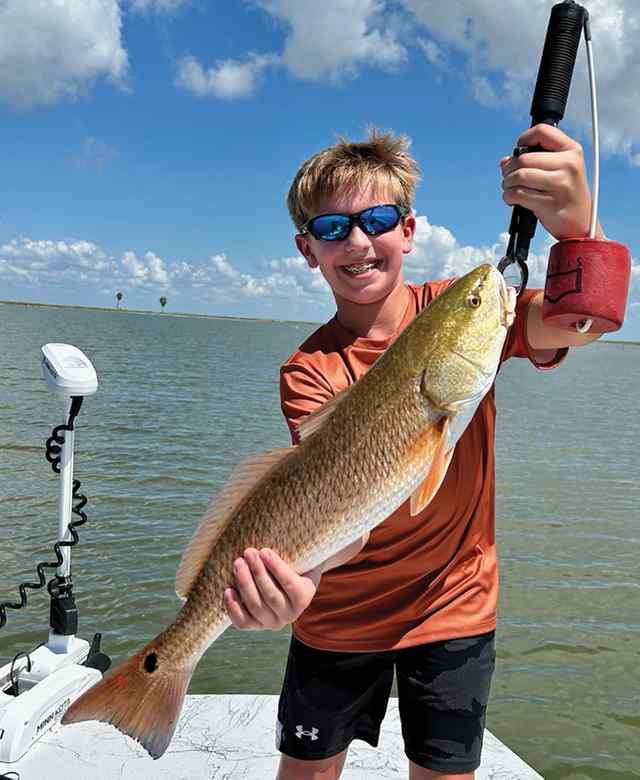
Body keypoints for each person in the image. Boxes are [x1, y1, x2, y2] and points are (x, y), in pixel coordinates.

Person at [222, 123, 602, 780]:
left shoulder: (460, 310)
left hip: (454, 602)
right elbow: (335, 515)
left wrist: (578, 228)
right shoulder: (308, 369)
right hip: (337, 616)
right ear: (306, 248)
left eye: (377, 219)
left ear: (409, 231)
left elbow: (581, 318)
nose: (360, 241)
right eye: (334, 228)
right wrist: (294, 584)